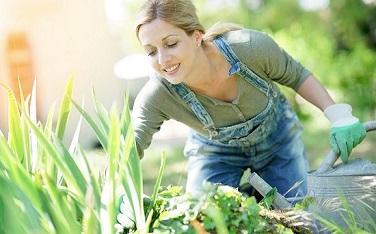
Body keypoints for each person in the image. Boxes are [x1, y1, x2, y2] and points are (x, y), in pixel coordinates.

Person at [130, 0, 366, 198]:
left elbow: (297, 75)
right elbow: (130, 145)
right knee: (203, 217)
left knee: (298, 214)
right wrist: (116, 190)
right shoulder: (158, 94)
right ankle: (252, 195)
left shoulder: (249, 47)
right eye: (151, 51)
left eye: (171, 44)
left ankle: (259, 193)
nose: (162, 59)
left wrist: (338, 115)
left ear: (196, 37)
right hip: (215, 154)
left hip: (278, 142)